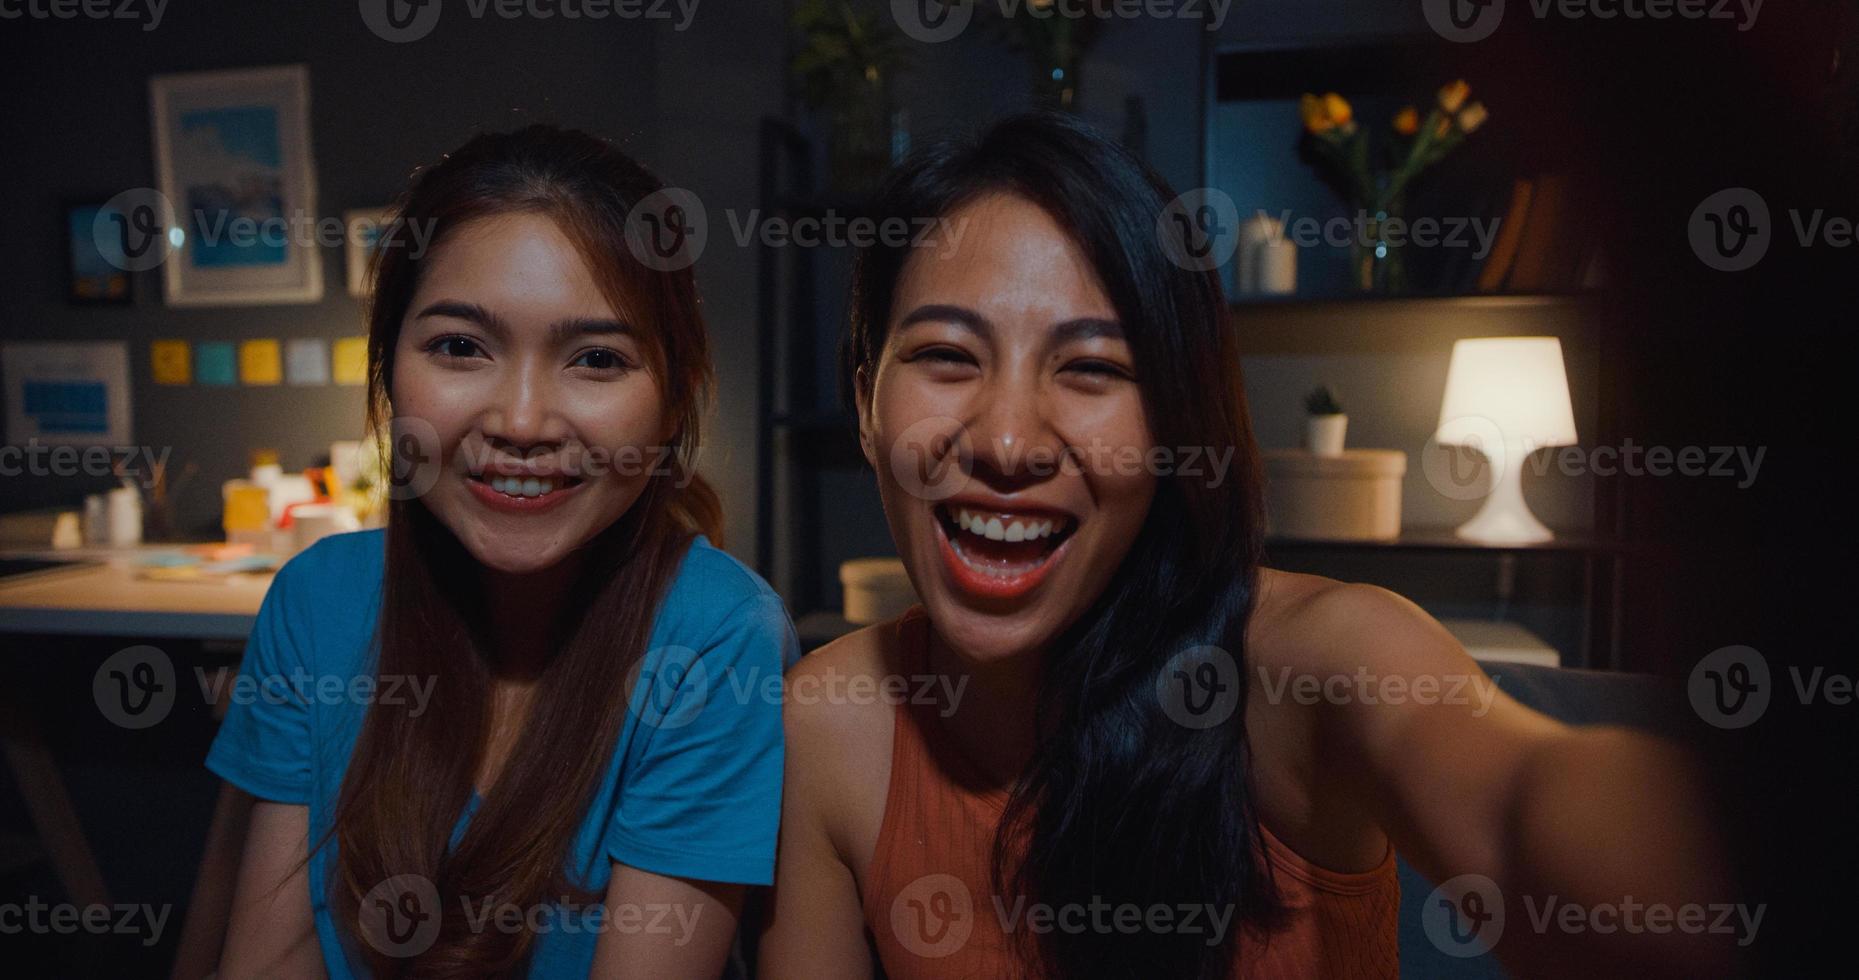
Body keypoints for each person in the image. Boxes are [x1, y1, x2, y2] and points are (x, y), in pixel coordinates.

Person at [759, 112, 1730, 979]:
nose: (1005, 440)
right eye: (943, 356)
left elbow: (1519, 804)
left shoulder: (1319, 661)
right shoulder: (829, 721)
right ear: (863, 402)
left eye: (1091, 367)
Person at [208, 124, 796, 979]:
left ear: (674, 404)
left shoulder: (714, 638)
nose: (521, 422)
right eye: (459, 347)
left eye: (595, 359)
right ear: (387, 371)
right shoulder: (317, 601)